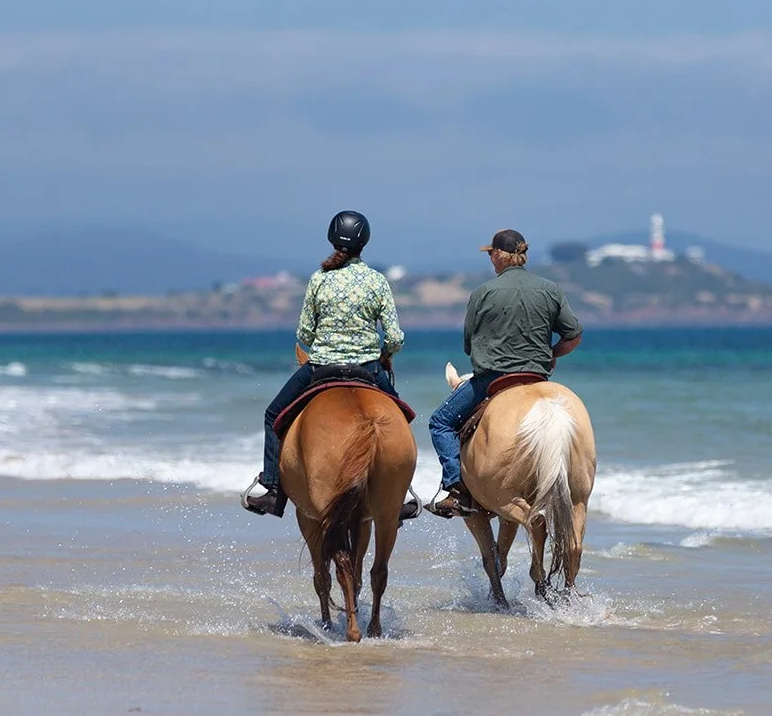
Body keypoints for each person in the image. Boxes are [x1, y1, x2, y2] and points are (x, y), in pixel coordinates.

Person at [242, 210, 406, 517]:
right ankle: (400, 491)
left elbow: (304, 333)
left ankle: (274, 491)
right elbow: (395, 337)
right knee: (400, 420)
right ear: (364, 243)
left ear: (332, 238)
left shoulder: (319, 278)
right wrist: (383, 352)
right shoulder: (377, 280)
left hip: (321, 367)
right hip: (368, 369)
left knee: (273, 415)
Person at [427, 228, 583, 517]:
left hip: (491, 382)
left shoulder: (483, 293)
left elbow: (468, 345)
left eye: (491, 254)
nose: (491, 259)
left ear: (499, 254)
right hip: (538, 378)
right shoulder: (550, 289)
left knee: (440, 422)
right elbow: (573, 337)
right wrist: (551, 354)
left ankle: (455, 490)